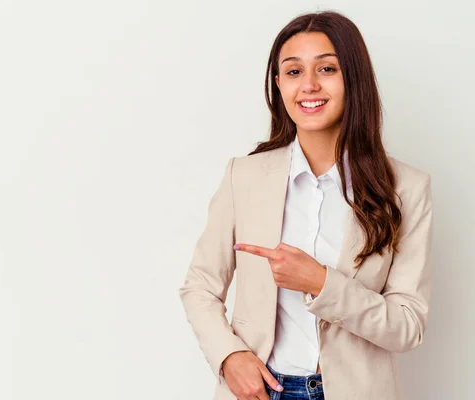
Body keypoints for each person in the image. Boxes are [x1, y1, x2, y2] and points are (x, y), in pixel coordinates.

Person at [179, 10, 433, 400]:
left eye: (327, 69)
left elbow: (407, 325)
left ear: (353, 78)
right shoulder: (243, 177)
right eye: (294, 72)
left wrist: (321, 282)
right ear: (279, 84)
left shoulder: (406, 189)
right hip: (263, 391)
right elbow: (200, 286)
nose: (309, 85)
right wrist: (229, 357)